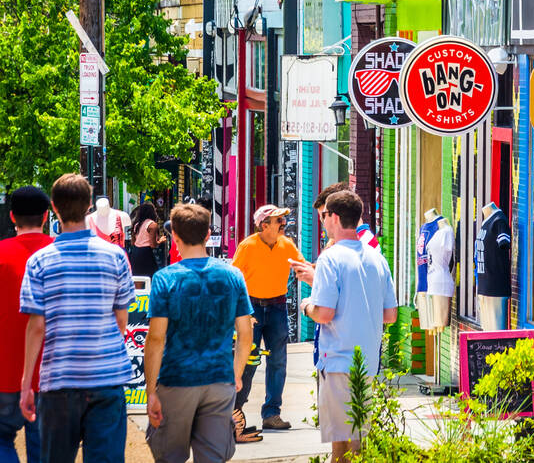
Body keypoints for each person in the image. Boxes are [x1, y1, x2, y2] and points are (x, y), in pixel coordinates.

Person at [20, 173, 135, 462]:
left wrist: (26, 384)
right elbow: (122, 319)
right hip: (107, 378)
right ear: (88, 207)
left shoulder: (40, 261)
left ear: (54, 208)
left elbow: (36, 327)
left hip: (59, 381)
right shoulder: (116, 256)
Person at [144, 204, 254, 463]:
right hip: (219, 379)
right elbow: (245, 333)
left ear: (175, 237)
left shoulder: (165, 279)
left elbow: (156, 339)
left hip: (176, 380)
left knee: (168, 456)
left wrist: (151, 390)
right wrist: (235, 375)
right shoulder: (233, 275)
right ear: (207, 235)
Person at [301, 191, 397, 463]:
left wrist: (307, 306)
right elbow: (390, 315)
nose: (323, 221)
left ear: (333, 217)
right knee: (358, 438)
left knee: (340, 444)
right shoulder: (377, 258)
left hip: (337, 359)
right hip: (367, 360)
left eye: (324, 216)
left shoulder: (330, 258)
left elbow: (324, 313)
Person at [230, 204, 302, 431]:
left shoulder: (286, 244)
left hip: (278, 306)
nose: (284, 223)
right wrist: (239, 311)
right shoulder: (247, 246)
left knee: (278, 362)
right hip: (251, 308)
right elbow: (233, 278)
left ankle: (271, 414)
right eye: (279, 220)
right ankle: (235, 412)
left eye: (283, 219)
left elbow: (301, 268)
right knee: (247, 360)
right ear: (264, 225)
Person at [0, 186, 51, 463]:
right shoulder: (58, 254)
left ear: (11, 216)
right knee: (44, 450)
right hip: (51, 375)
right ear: (45, 216)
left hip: (4, 372)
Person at [130, 202, 166, 277]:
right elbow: (153, 245)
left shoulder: (136, 224)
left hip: (135, 253)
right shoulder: (152, 225)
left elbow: (133, 242)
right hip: (146, 253)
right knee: (150, 278)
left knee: (137, 279)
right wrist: (161, 240)